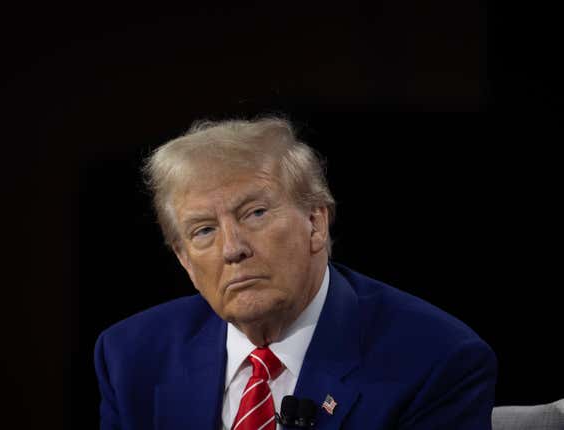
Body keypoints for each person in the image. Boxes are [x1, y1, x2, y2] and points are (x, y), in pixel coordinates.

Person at [94, 117, 497, 430]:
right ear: (183, 259)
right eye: (204, 231)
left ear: (315, 222)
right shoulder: (133, 357)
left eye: (255, 213)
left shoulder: (435, 360)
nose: (233, 248)